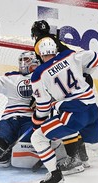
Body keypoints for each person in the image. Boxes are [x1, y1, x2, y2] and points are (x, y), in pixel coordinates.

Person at [30, 37, 98, 183]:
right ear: (55, 50)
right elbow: (96, 57)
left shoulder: (38, 74)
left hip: (74, 114)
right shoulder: (70, 55)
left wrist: (36, 123)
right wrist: (83, 72)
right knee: (96, 142)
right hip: (91, 109)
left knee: (37, 137)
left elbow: (43, 106)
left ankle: (55, 177)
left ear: (40, 54)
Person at [31, 20, 90, 170]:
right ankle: (82, 155)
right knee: (75, 119)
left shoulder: (40, 44)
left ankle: (74, 159)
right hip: (79, 81)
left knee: (66, 119)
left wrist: (37, 95)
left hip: (68, 86)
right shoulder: (53, 40)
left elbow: (47, 69)